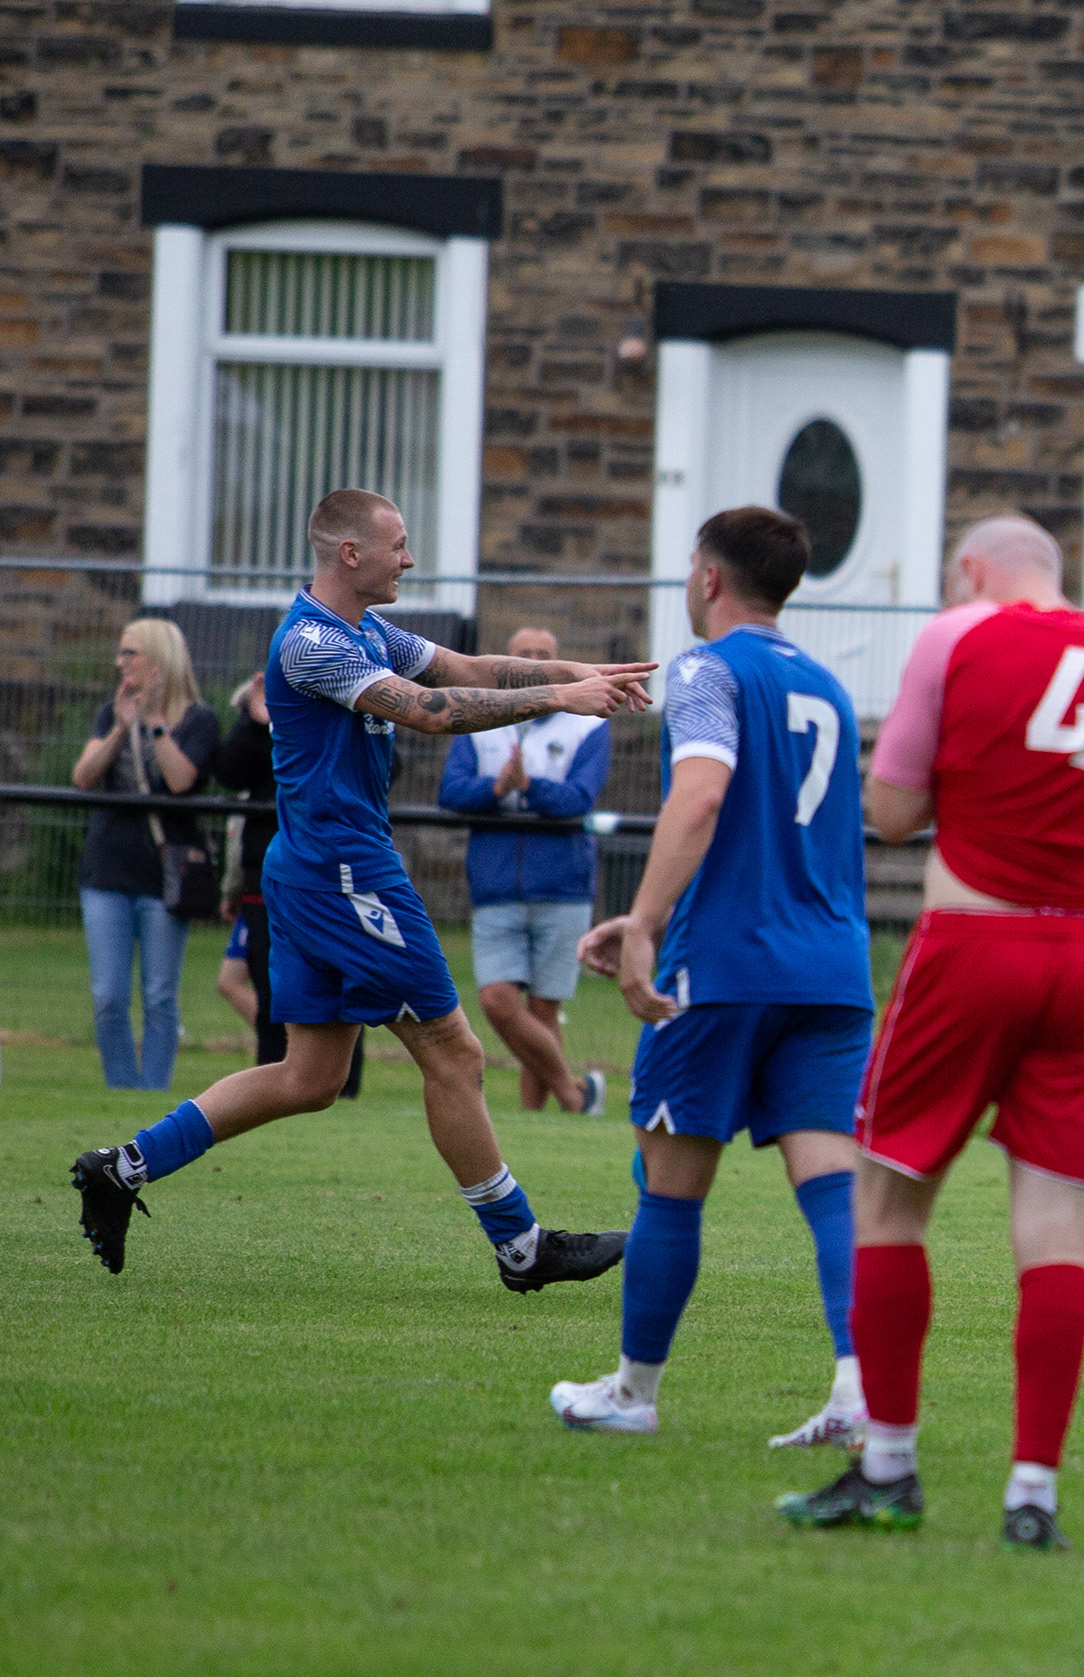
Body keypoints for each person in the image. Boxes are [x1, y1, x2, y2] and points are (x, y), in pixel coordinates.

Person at [773, 514, 1084, 1553]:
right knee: (1056, 1223)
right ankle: (1033, 1493)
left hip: (972, 945)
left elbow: (893, 810)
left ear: (972, 572)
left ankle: (887, 1469)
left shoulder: (958, 634)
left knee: (889, 1198)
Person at [68, 488, 650, 1295]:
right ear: (351, 553)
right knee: (455, 1050)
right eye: (398, 544)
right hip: (344, 872)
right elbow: (431, 711)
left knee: (309, 1077)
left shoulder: (367, 630)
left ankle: (123, 1166)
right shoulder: (312, 642)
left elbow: (465, 670)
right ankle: (522, 1246)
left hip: (315, 868)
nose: (409, 559)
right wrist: (556, 697)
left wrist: (575, 672)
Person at [546, 509, 879, 1449]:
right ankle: (858, 1390)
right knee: (831, 1181)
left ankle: (633, 1392)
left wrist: (645, 923)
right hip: (831, 973)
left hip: (725, 964)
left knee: (671, 1179)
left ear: (708, 577)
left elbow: (701, 795)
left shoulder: (704, 671)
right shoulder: (827, 684)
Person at [440, 625, 611, 1118]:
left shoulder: (587, 725)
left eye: (543, 654)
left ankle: (534, 1119)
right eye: (523, 655)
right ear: (505, 662)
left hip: (563, 886)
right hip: (494, 885)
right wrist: (495, 789)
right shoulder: (477, 720)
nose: (533, 662)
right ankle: (575, 1095)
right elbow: (450, 791)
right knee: (497, 1001)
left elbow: (580, 798)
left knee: (543, 1011)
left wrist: (529, 785)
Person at [73, 617, 221, 1090]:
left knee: (159, 995)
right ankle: (121, 1089)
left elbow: (180, 781)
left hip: (165, 876)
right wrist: (121, 729)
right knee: (108, 995)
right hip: (106, 872)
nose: (120, 662)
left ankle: (153, 1091)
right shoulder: (110, 711)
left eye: (129, 652)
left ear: (159, 658)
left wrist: (155, 724)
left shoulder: (199, 720)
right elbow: (83, 776)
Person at [207, 669, 365, 1100]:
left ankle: (343, 1092)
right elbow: (229, 773)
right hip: (269, 882)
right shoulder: (263, 727)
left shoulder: (346, 712)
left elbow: (384, 770)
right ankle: (276, 1086)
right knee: (273, 989)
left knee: (342, 987)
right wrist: (257, 724)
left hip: (334, 879)